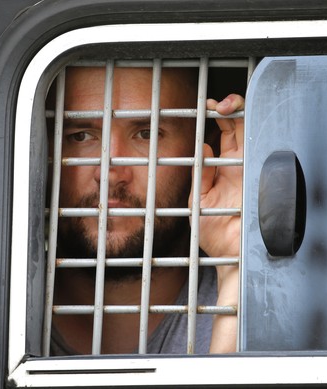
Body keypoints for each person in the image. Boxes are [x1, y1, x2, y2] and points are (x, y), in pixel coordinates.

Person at [50, 65, 243, 355]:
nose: (110, 172)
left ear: (205, 149)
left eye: (146, 133)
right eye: (81, 136)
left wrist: (234, 272)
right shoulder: (2, 309)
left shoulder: (253, 308)